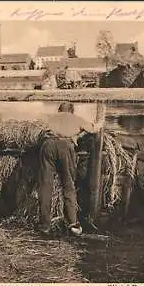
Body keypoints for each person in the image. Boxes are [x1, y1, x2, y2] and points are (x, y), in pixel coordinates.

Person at [37, 101, 101, 237]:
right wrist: (98, 123)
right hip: (65, 146)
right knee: (68, 185)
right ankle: (73, 224)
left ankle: (44, 225)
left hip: (48, 145)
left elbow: (39, 131)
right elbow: (94, 129)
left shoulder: (50, 117)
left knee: (45, 186)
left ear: (59, 110)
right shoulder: (76, 118)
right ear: (72, 111)